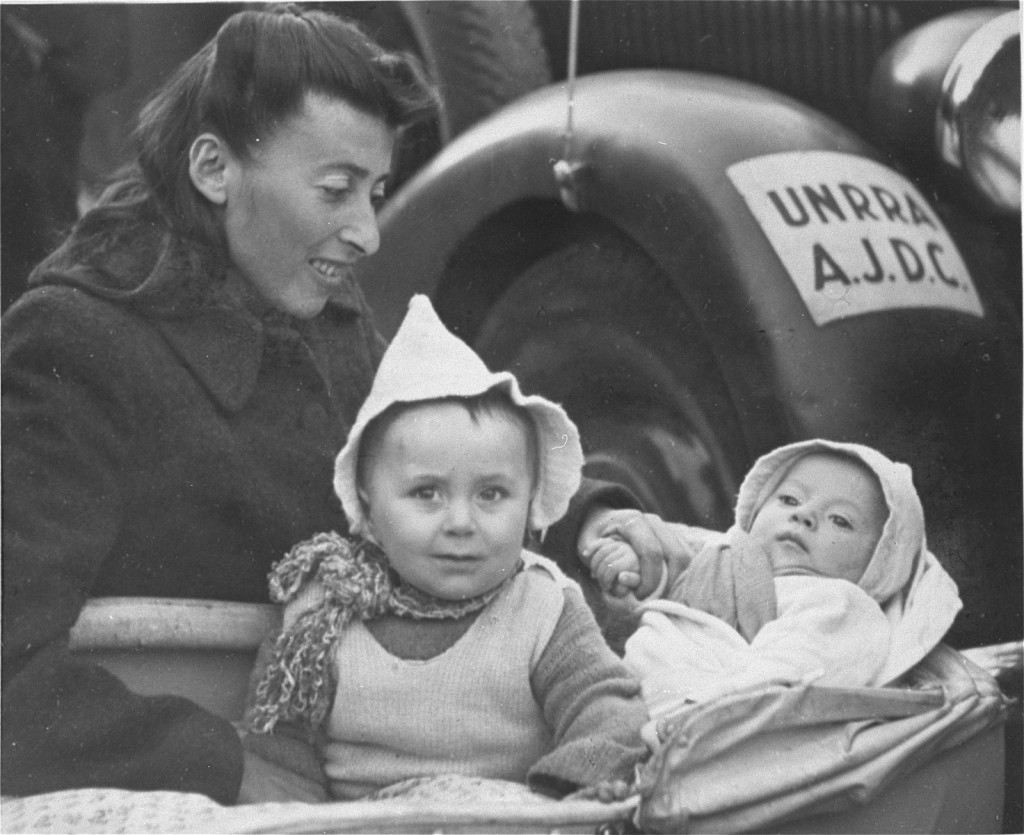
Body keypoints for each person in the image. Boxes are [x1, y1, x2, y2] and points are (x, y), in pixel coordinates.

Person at [1, 6, 639, 804]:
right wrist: (224, 764)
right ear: (213, 169)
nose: (368, 232)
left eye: (375, 192)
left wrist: (593, 519)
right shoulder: (72, 343)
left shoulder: (319, 311)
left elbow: (444, 448)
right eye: (336, 189)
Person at [242, 295, 649, 802]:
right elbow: (278, 755)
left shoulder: (540, 609)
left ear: (529, 502)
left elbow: (607, 711)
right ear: (368, 506)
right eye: (426, 493)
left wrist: (573, 793)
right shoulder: (321, 614)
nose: (460, 523)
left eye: (491, 494)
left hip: (511, 816)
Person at [581, 440, 963, 727]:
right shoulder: (726, 557)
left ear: (880, 564)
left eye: (840, 520)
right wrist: (630, 568)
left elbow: (783, 679)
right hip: (621, 703)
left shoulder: (838, 603)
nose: (805, 515)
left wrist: (695, 716)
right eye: (790, 499)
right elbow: (677, 581)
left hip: (695, 722)